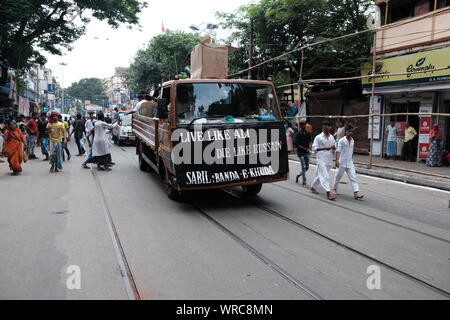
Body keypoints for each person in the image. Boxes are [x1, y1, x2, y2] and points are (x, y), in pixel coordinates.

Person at [332, 125, 364, 200]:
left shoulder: (353, 141)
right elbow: (338, 151)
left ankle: (356, 193)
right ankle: (334, 188)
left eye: (351, 131)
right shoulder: (341, 140)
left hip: (349, 163)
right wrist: (337, 160)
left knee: (353, 177)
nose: (350, 133)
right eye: (349, 131)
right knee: (338, 176)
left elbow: (351, 152)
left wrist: (351, 160)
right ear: (346, 132)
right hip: (341, 162)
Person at [310, 121, 337, 201]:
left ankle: (312, 187)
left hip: (329, 159)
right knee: (325, 176)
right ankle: (328, 193)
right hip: (321, 159)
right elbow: (314, 148)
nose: (330, 128)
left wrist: (334, 148)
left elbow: (334, 146)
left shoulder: (332, 137)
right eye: (328, 126)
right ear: (324, 127)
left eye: (330, 126)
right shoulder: (318, 137)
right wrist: (325, 148)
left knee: (319, 175)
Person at [294, 120, 312, 187]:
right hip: (300, 153)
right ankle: (304, 182)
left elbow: (309, 142)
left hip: (307, 152)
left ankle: (298, 175)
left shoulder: (308, 133)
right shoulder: (298, 134)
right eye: (302, 125)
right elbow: (297, 145)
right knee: (303, 167)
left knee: (307, 167)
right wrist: (306, 149)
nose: (303, 126)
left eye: (304, 124)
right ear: (300, 126)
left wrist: (309, 149)